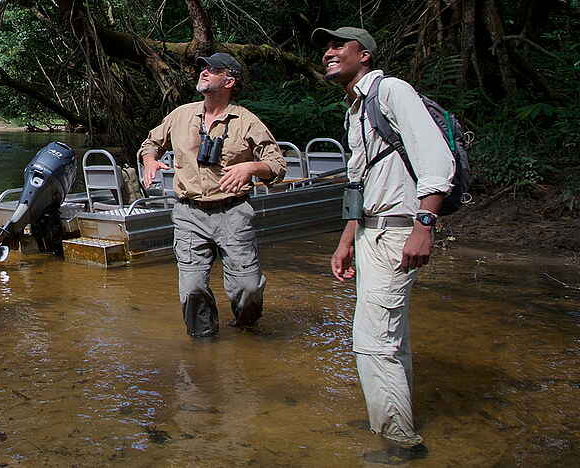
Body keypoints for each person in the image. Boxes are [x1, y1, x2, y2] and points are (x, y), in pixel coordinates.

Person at [316, 26, 454, 451]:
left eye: (338, 45)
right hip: (370, 230)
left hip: (398, 230)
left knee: (372, 341)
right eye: (326, 46)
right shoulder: (355, 108)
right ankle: (393, 419)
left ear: (365, 54)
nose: (328, 52)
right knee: (392, 338)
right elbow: (361, 183)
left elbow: (437, 160)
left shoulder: (391, 91)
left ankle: (400, 441)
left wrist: (424, 227)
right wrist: (346, 240)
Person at [138, 52, 286, 338]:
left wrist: (250, 167)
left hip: (233, 212)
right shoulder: (181, 115)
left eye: (213, 69)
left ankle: (246, 328)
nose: (203, 72)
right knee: (192, 288)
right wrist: (149, 160)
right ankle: (203, 346)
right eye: (203, 68)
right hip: (188, 212)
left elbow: (277, 165)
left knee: (248, 287)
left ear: (229, 81)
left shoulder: (247, 121)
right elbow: (150, 142)